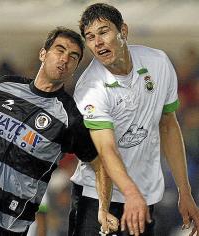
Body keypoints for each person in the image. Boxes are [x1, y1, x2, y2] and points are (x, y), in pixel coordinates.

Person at [0, 27, 118, 236]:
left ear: (74, 68)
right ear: (43, 54)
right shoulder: (9, 87)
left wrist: (103, 208)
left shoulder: (70, 119)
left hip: (8, 222)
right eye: (59, 50)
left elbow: (101, 165)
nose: (64, 59)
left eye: (73, 57)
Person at [69, 3, 199, 236]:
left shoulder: (158, 63)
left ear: (123, 31)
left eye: (103, 32)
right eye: (90, 37)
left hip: (142, 196)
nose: (97, 42)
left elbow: (168, 126)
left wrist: (185, 191)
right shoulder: (90, 88)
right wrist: (130, 193)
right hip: (97, 198)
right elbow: (106, 149)